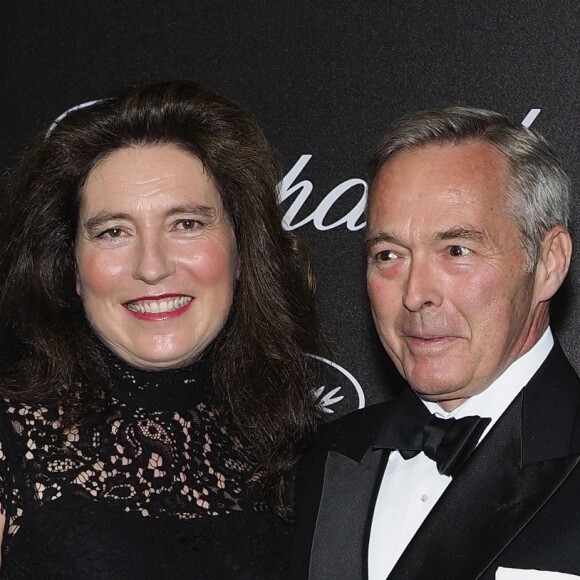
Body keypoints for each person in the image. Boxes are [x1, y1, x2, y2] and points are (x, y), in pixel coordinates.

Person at [0, 80, 321, 578]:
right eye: (113, 232)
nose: (151, 266)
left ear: (242, 254)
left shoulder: (304, 451)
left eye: (186, 224)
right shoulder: (12, 440)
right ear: (71, 269)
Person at [289, 106, 580, 579]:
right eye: (388, 255)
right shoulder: (325, 459)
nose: (415, 293)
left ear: (548, 262)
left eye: (456, 251)